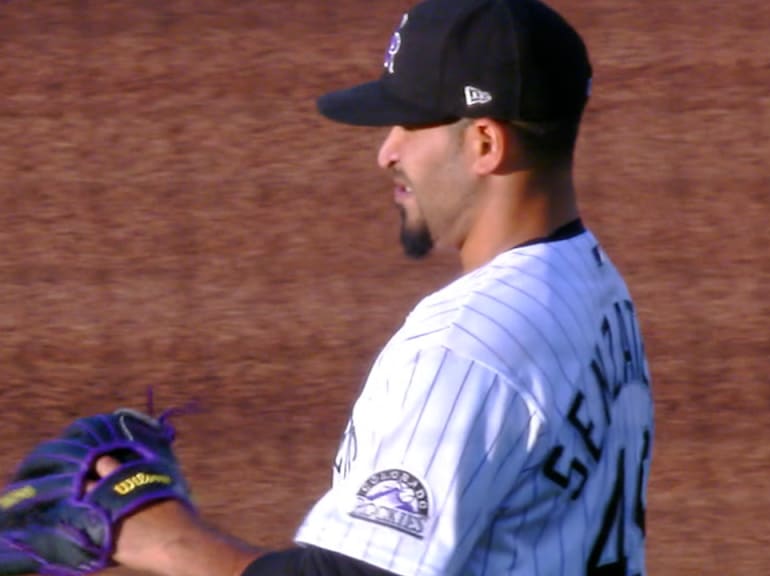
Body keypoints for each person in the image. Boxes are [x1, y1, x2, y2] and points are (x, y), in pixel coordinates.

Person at [97, 0, 655, 574]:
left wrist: (161, 538)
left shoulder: (462, 346)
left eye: (411, 124)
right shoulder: (594, 287)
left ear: (485, 143)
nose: (386, 151)